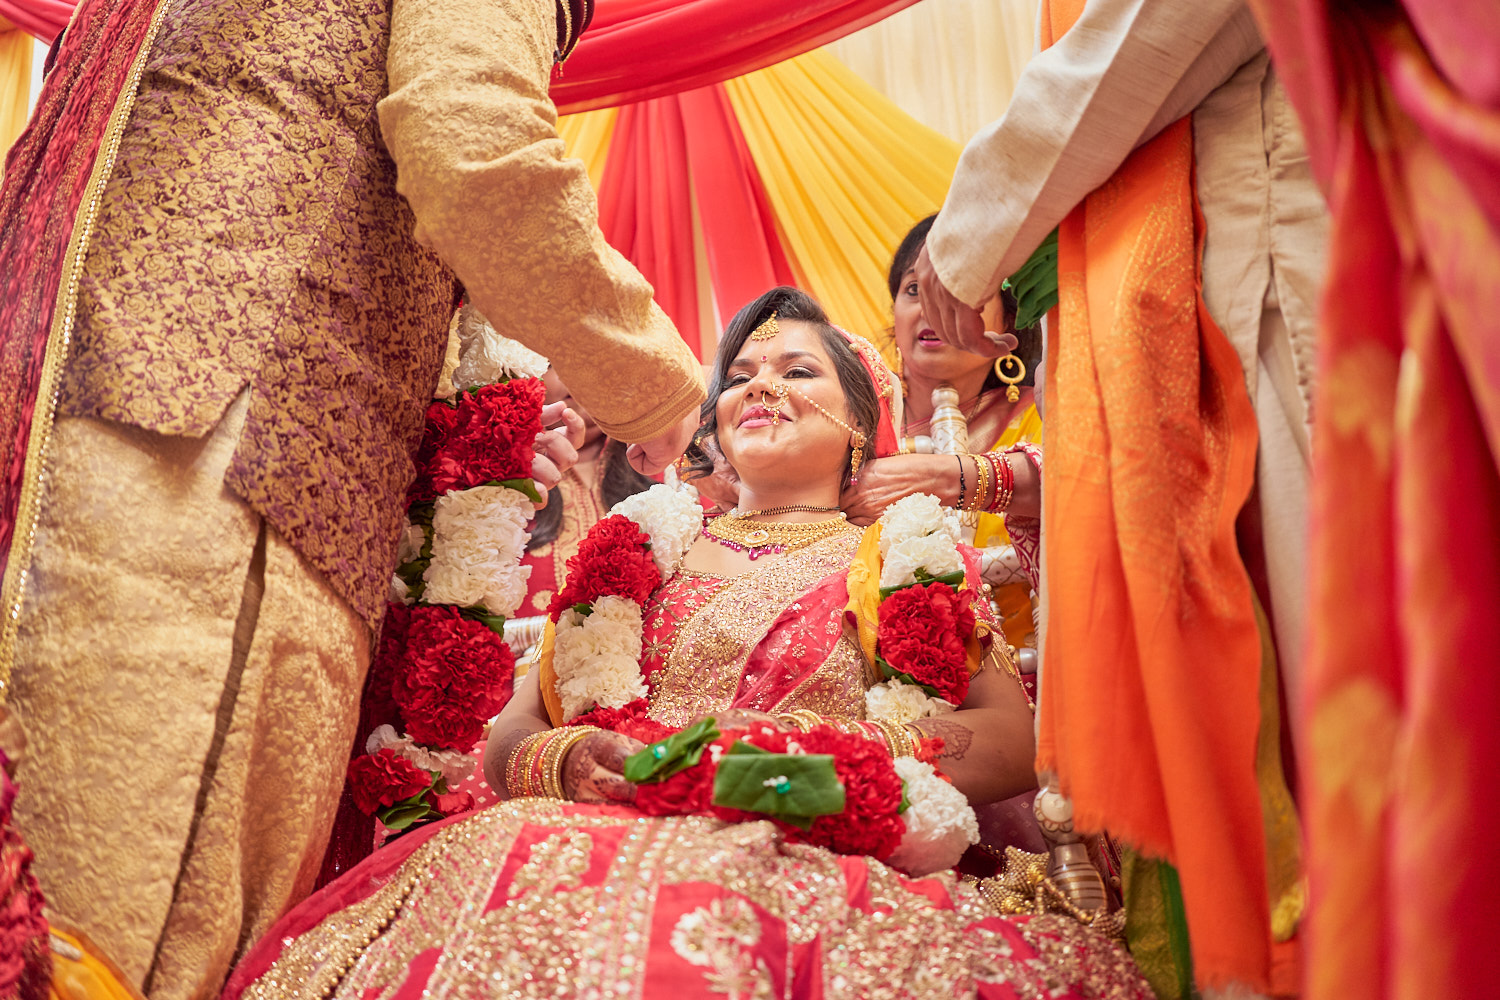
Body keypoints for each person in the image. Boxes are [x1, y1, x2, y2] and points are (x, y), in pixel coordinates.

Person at [0, 0, 705, 996]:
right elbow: (473, 147)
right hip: (223, 446)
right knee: (115, 935)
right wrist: (653, 383)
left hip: (77, 413)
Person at [221, 287, 1151, 1000]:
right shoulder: (640, 546)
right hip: (590, 826)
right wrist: (577, 755)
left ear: (861, 423)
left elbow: (1010, 741)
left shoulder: (903, 557)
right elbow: (510, 740)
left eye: (798, 371)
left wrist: (813, 766)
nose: (760, 386)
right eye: (741, 375)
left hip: (816, 844)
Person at [913, 1, 1322, 996]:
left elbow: (1162, 27)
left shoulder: (983, 419)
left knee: (1340, 701)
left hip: (1300, 269)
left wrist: (968, 232)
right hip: (1227, 299)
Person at [880, 214, 1044, 651]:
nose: (933, 307)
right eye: (914, 289)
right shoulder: (851, 419)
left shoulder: (1048, 415)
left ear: (1008, 322)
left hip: (1028, 679)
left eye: (963, 292)